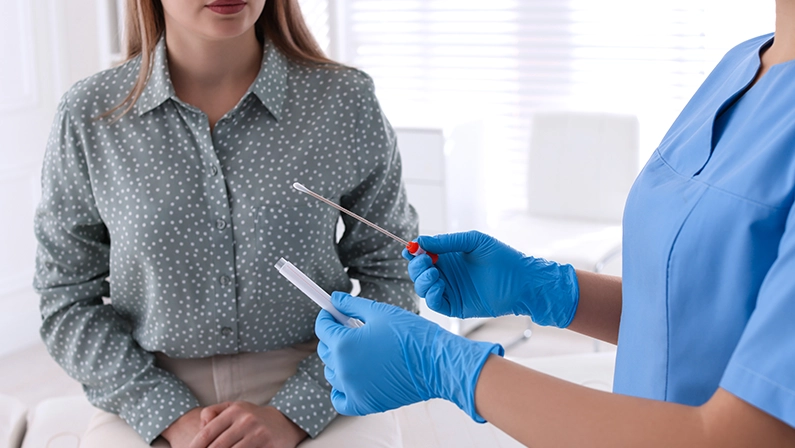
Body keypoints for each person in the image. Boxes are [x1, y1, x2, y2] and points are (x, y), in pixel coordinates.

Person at [313, 3, 795, 446]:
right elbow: (704, 318)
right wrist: (546, 288)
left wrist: (445, 367)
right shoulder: (744, 62)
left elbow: (741, 436)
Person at [33, 1, 418, 447]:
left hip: (327, 378)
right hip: (148, 387)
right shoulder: (90, 115)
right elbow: (65, 298)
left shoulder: (343, 101)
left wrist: (295, 412)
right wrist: (170, 415)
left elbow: (393, 274)